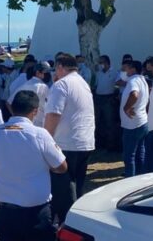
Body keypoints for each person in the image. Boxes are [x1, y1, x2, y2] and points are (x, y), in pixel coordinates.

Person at [0, 90, 67, 241]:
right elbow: (61, 167)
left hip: (5, 212)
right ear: (35, 111)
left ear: (12, 108)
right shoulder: (39, 134)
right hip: (35, 213)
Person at [44, 53, 95, 222]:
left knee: (63, 188)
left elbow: (53, 114)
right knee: (77, 185)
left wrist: (46, 139)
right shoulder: (82, 83)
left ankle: (68, 224)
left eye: (55, 69)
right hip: (85, 141)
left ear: (60, 67)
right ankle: (78, 220)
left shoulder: (61, 85)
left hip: (66, 143)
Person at [120, 60, 149, 177]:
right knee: (140, 152)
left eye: (127, 68)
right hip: (142, 121)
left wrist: (127, 108)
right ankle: (140, 177)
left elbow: (134, 94)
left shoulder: (133, 80)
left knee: (129, 155)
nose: (125, 70)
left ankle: (130, 179)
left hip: (132, 124)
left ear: (133, 69)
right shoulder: (143, 81)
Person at [93, 55, 120, 150]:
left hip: (108, 99)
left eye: (102, 62)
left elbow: (118, 84)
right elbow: (96, 85)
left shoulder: (114, 73)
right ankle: (99, 144)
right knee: (97, 122)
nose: (100, 65)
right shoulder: (99, 73)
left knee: (109, 122)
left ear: (107, 63)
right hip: (98, 99)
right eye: (99, 63)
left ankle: (110, 145)